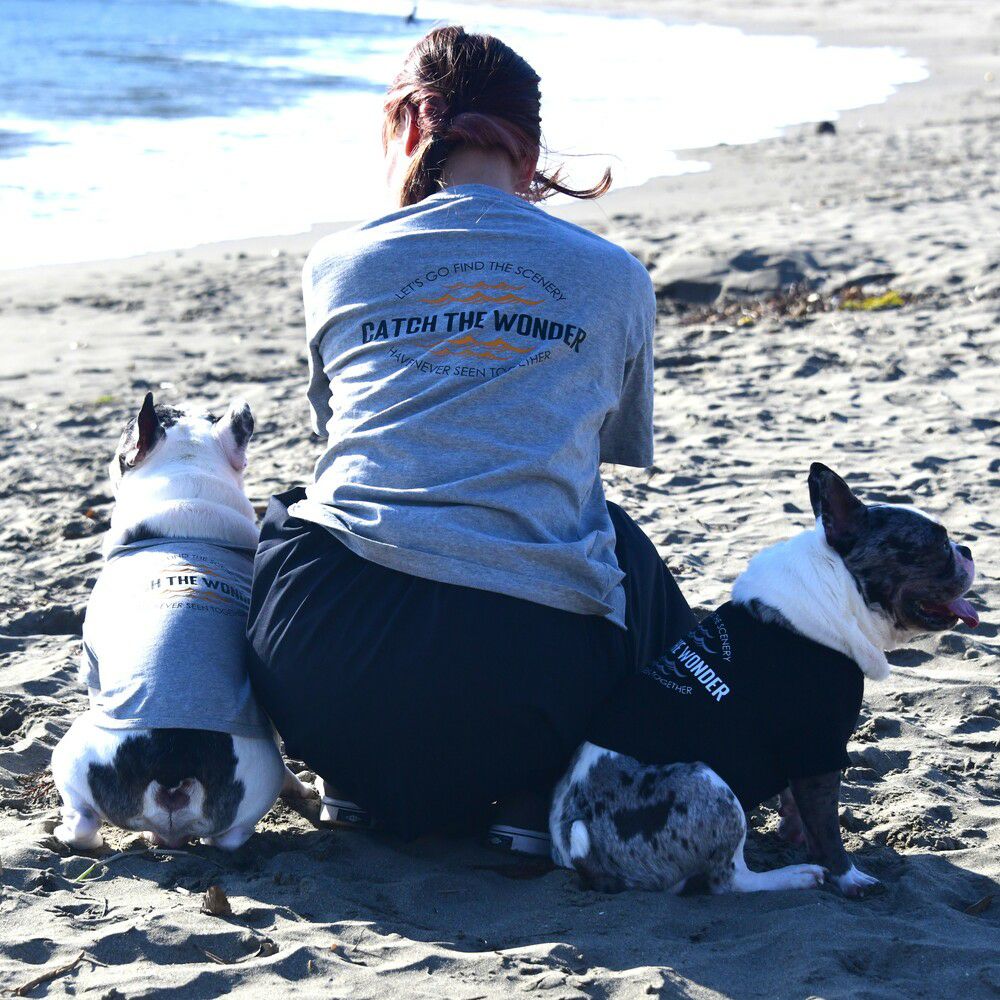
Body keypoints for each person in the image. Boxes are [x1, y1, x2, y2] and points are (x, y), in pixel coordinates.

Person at [246, 25, 695, 847]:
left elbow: (347, 442)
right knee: (613, 539)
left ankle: (354, 779)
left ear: (406, 127)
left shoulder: (340, 261)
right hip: (532, 694)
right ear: (531, 149)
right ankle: (535, 791)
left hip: (326, 677)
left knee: (293, 509)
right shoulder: (614, 275)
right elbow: (602, 451)